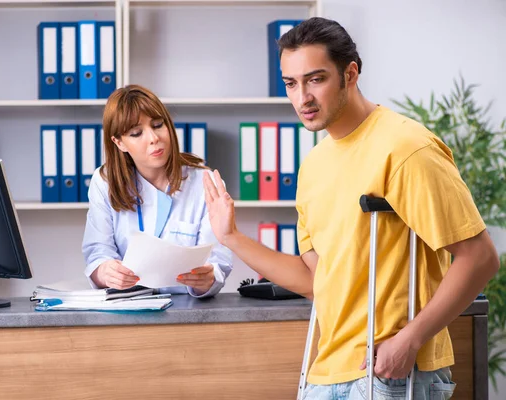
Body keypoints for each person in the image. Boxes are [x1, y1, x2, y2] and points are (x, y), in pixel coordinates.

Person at [203, 17, 500, 399]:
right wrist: (230, 236)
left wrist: (409, 340)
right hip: (327, 373)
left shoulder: (406, 148)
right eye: (291, 83)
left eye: (316, 79)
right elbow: (317, 280)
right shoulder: (313, 165)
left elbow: (479, 257)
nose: (302, 98)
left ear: (350, 73)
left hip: (391, 372)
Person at [82, 84, 232, 298]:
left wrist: (208, 278)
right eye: (136, 133)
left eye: (158, 125)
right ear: (119, 142)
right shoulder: (104, 181)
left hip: (187, 310)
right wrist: (106, 272)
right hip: (127, 307)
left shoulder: (204, 182)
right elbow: (97, 251)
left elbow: (217, 259)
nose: (153, 138)